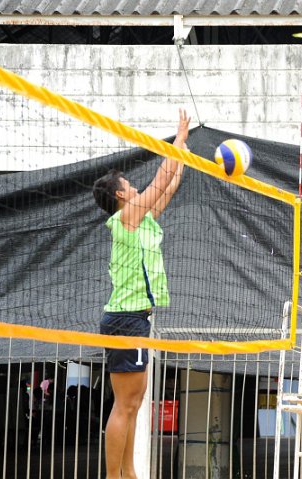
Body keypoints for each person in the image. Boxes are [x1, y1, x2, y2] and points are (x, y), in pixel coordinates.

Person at [92, 108, 189, 479]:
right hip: (126, 319)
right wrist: (176, 140)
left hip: (135, 319)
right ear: (121, 193)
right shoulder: (125, 218)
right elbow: (158, 180)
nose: (134, 185)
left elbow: (169, 184)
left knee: (130, 404)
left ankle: (129, 472)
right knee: (125, 405)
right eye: (129, 184)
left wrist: (182, 150)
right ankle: (115, 476)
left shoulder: (141, 219)